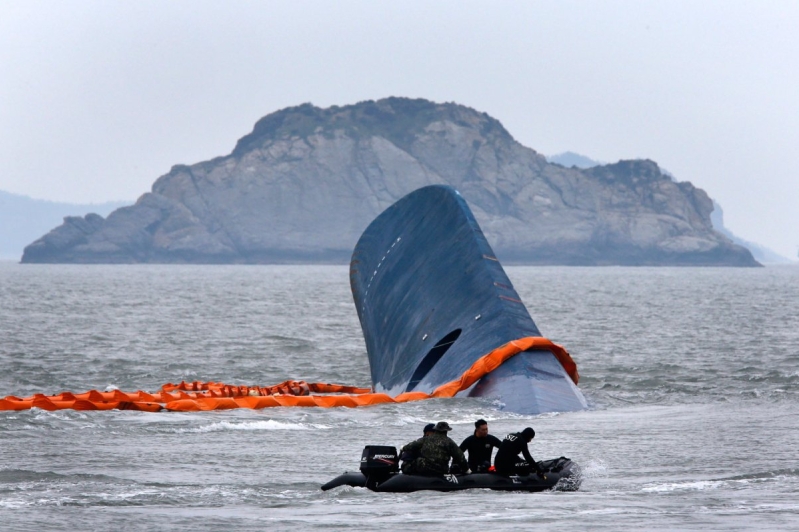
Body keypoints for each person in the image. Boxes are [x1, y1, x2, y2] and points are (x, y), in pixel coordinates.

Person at [400, 421, 469, 476]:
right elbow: (460, 456)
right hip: (442, 469)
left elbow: (412, 446)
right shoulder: (450, 442)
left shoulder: (426, 439)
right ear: (446, 431)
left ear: (436, 429)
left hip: (425, 467)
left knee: (409, 464)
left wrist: (403, 448)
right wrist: (466, 469)